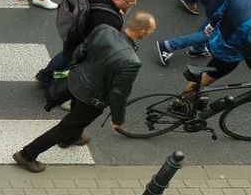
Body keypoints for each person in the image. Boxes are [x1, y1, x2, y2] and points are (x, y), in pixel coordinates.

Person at [14, 12, 154, 173]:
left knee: (74, 118)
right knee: (66, 126)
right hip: (92, 98)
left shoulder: (104, 30)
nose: (149, 34)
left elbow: (81, 51)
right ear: (142, 31)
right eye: (150, 31)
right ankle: (27, 154)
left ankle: (71, 138)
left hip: (76, 83)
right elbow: (118, 93)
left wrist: (75, 69)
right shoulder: (132, 61)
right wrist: (117, 119)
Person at [35, 0, 138, 88]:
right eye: (130, 2)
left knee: (65, 55)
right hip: (82, 44)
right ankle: (56, 88)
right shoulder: (111, 19)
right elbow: (101, 44)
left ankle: (45, 76)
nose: (133, 5)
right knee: (71, 65)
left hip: (73, 32)